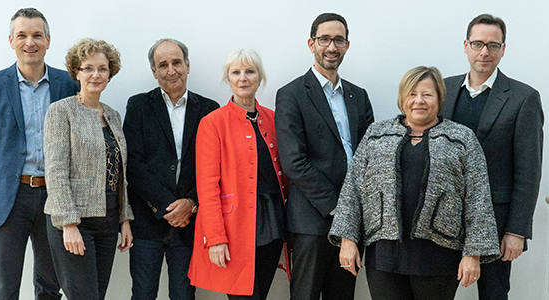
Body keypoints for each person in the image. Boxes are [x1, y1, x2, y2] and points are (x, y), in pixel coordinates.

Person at [329, 66, 500, 299]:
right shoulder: (376, 134)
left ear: (439, 98)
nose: (419, 101)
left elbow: (478, 198)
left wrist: (474, 255)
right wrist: (348, 240)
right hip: (384, 254)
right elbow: (353, 189)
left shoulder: (462, 138)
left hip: (439, 255)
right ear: (402, 98)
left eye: (427, 94)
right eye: (412, 94)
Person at [0, 7, 78, 299]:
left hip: (56, 198)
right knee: (4, 287)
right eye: (22, 35)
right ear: (11, 40)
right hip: (8, 200)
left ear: (48, 40)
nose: (30, 42)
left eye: (37, 35)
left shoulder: (69, 84)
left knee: (51, 286)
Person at [442, 14, 544, 300]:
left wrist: (517, 231)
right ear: (466, 45)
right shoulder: (443, 89)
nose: (484, 52)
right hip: (444, 219)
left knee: (494, 294)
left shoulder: (523, 98)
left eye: (492, 45)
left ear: (503, 48)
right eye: (477, 43)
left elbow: (528, 170)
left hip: (496, 222)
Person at [274, 12, 374, 300]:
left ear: (347, 45)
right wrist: (338, 207)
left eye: (338, 40)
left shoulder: (359, 95)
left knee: (342, 295)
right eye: (325, 39)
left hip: (353, 221)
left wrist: (351, 211)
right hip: (312, 221)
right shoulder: (291, 94)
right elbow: (294, 162)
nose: (332, 47)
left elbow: (368, 156)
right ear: (311, 43)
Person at [123, 38, 219, 300]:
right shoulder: (138, 106)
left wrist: (191, 202)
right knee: (142, 294)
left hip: (190, 225)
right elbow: (134, 164)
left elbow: (215, 168)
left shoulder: (210, 110)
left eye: (177, 62)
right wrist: (167, 206)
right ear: (154, 72)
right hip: (147, 223)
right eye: (162, 65)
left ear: (187, 65)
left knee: (184, 295)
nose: (171, 70)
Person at [188, 49, 287, 300]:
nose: (243, 78)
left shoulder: (273, 119)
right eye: (236, 72)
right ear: (228, 79)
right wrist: (215, 238)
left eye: (250, 71)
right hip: (234, 227)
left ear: (259, 78)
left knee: (260, 294)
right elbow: (207, 186)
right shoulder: (212, 123)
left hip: (273, 221)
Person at [42, 38, 134, 300]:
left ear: (110, 73)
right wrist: (69, 224)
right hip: (75, 220)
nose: (96, 74)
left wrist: (124, 219)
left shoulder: (113, 115)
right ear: (77, 72)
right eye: (88, 68)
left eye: (102, 68)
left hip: (108, 220)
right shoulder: (61, 111)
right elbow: (56, 171)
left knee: (97, 295)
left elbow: (121, 170)